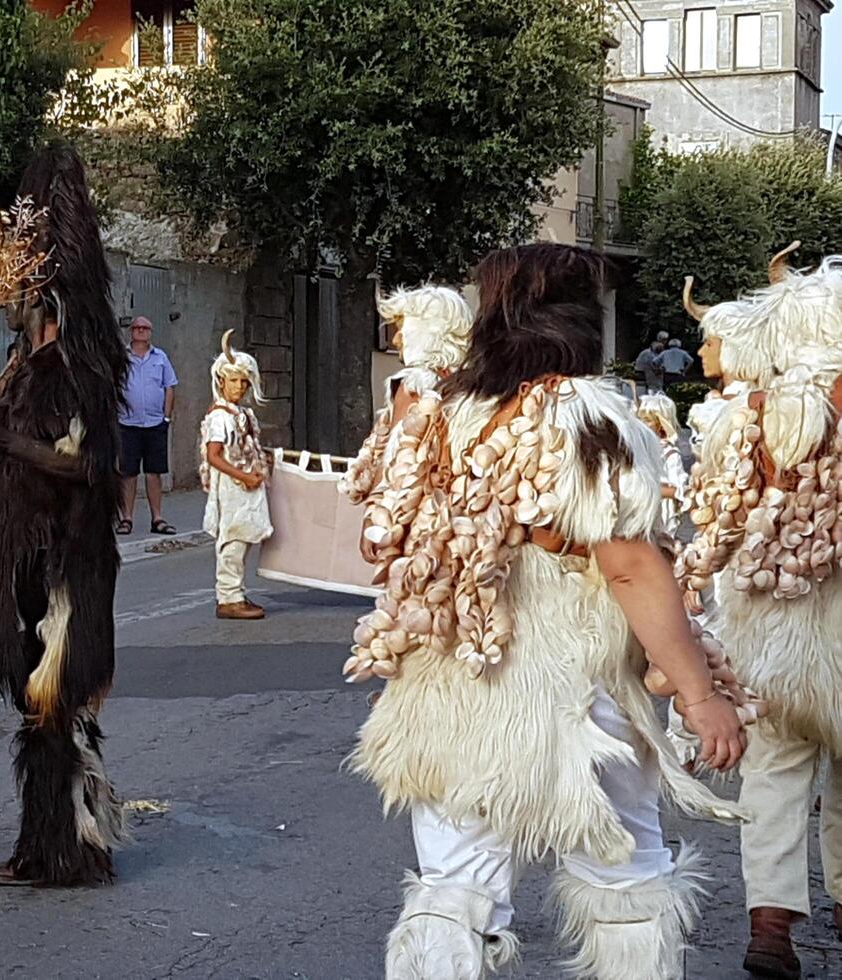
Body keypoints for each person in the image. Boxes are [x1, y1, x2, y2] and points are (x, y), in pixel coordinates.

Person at [350, 244, 746, 980]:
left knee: (454, 887)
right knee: (620, 870)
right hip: (573, 692)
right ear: (577, 319)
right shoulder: (588, 416)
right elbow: (628, 565)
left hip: (453, 685)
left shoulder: (445, 415)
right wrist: (697, 693)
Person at [0, 141, 128, 887]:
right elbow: (6, 452)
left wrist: (6, 439)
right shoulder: (18, 365)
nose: (5, 301)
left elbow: (86, 463)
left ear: (42, 298)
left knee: (54, 704)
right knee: (36, 707)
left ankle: (66, 849)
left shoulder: (78, 367)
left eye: (17, 290)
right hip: (21, 560)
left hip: (66, 562)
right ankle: (54, 843)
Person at [676, 255, 842, 979]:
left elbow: (717, 522)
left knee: (772, 772)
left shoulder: (746, 416)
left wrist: (689, 588)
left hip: (766, 629)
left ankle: (770, 930)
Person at [343, 284, 473, 515]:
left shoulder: (415, 384)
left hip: (411, 511)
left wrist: (376, 519)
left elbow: (394, 460)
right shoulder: (469, 385)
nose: (396, 340)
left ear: (425, 331)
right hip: (453, 508)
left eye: (403, 329)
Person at [201, 331, 271, 620]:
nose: (240, 387)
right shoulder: (220, 416)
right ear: (221, 382)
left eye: (244, 381)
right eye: (234, 381)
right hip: (232, 487)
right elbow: (213, 455)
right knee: (232, 539)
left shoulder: (241, 414)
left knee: (243, 539)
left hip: (245, 485)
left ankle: (235, 592)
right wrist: (241, 475)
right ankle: (228, 598)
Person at [117, 315, 178, 536]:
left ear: (150, 332)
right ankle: (126, 518)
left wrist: (166, 417)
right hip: (127, 423)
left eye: (145, 328)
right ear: (131, 332)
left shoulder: (160, 357)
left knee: (154, 473)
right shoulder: (121, 358)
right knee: (128, 473)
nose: (141, 331)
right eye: (137, 328)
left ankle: (157, 518)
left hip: (154, 424)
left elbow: (169, 386)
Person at [636, 392, 687, 537]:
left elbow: (679, 490)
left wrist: (648, 490)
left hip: (659, 519)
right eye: (640, 420)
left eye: (648, 420)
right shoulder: (636, 450)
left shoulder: (669, 454)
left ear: (661, 425)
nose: (642, 425)